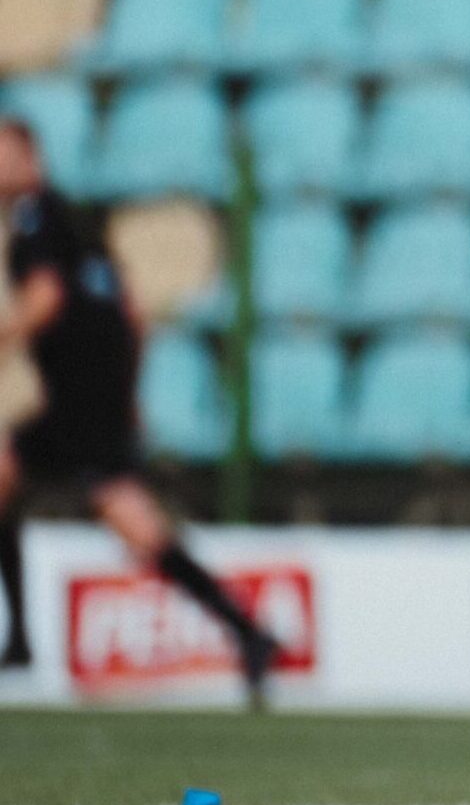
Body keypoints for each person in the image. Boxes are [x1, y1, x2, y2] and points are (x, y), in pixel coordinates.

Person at [0, 117, 276, 705]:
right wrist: (128, 391)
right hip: (93, 398)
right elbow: (132, 311)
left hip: (80, 405)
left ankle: (248, 632)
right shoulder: (74, 218)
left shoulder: (34, 223)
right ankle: (21, 637)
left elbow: (45, 299)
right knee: (12, 479)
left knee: (137, 526)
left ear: (31, 158)